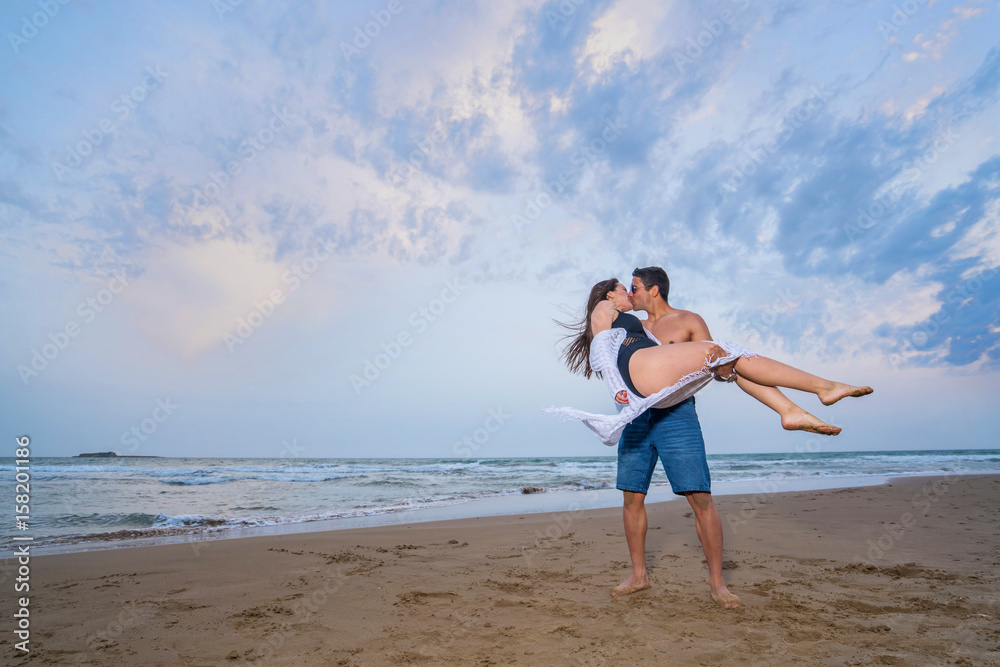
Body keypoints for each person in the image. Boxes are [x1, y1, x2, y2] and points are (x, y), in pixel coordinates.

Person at [551, 274, 873, 607]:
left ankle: (718, 583)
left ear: (653, 289)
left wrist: (721, 368)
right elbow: (604, 347)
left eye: (635, 287)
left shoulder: (687, 321)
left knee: (701, 496)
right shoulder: (622, 316)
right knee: (632, 496)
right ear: (611, 295)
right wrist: (616, 386)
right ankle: (638, 575)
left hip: (676, 414)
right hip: (637, 412)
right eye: (626, 288)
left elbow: (723, 372)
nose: (631, 293)